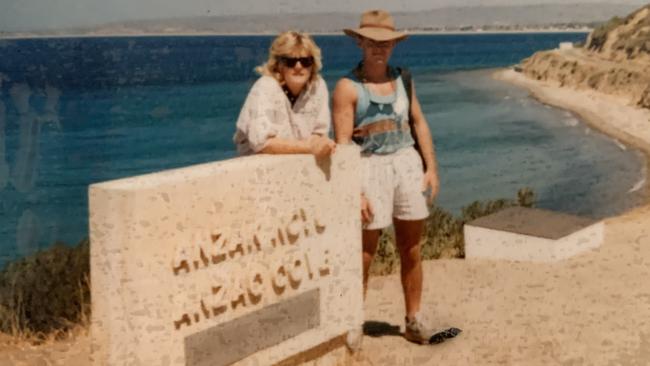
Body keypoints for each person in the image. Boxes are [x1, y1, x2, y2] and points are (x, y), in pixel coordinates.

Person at [333, 10, 460, 345]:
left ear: (393, 45)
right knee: (364, 252)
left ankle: (413, 319)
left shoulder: (404, 78)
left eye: (385, 42)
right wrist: (355, 192)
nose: (379, 48)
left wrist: (430, 167)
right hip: (368, 166)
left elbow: (418, 122)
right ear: (360, 42)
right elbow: (343, 146)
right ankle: (352, 322)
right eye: (372, 41)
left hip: (406, 163)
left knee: (412, 248)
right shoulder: (347, 88)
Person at [234, 31, 336, 157]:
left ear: (313, 64)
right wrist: (310, 147)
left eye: (305, 61)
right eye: (290, 61)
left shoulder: (318, 86)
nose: (298, 66)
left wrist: (319, 144)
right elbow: (262, 143)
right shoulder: (265, 87)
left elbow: (319, 133)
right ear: (278, 64)